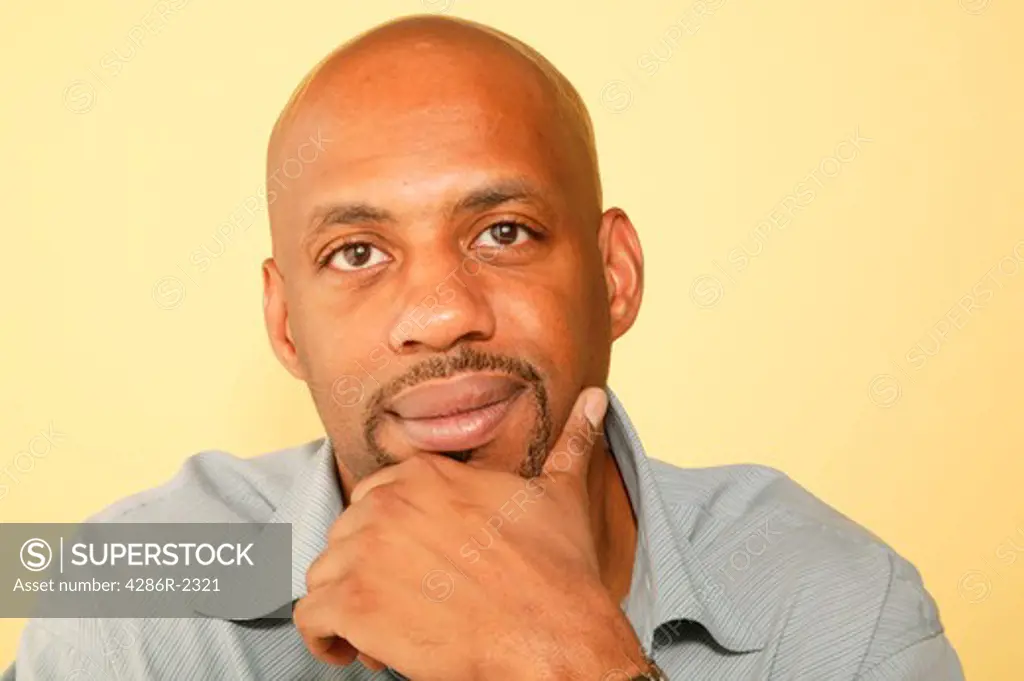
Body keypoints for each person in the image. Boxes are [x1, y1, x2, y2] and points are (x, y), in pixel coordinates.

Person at [9, 14, 964, 680]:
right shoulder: (122, 579)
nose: (439, 312)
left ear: (616, 275)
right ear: (286, 324)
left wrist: (575, 661)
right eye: (357, 252)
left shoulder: (842, 599)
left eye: (502, 231)